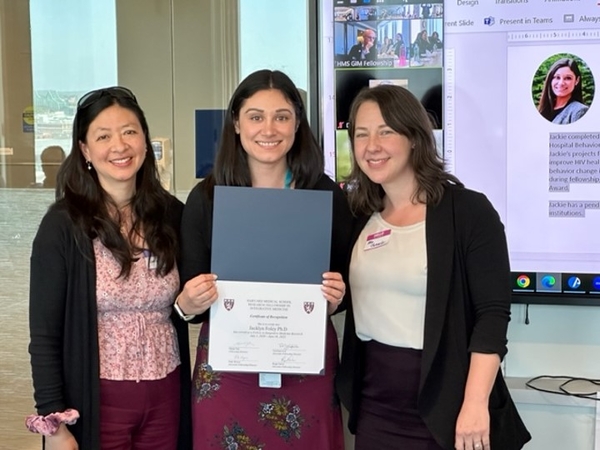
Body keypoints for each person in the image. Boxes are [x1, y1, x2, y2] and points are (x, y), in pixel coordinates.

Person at [336, 85, 531, 450]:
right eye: (361, 134)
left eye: (385, 132)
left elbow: (492, 315)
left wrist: (475, 404)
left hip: (448, 404)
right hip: (375, 404)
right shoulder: (360, 214)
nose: (371, 146)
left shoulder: (468, 212)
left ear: (414, 137)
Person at [177, 69, 353, 449]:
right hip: (229, 373)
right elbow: (188, 302)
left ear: (297, 124)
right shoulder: (207, 198)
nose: (268, 129)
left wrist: (337, 297)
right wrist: (188, 302)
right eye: (255, 116)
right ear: (236, 123)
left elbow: (345, 292)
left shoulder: (326, 196)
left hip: (304, 366)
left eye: (281, 117)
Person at [27, 86, 191, 450]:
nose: (119, 146)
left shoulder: (172, 215)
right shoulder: (62, 226)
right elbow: (45, 335)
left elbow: (193, 302)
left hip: (166, 393)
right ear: (85, 150)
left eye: (129, 132)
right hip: (97, 399)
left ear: (145, 141)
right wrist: (54, 422)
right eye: (103, 136)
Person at [537, 57, 589, 124]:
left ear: (577, 80)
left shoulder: (579, 111)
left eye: (568, 78)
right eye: (557, 77)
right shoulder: (543, 109)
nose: (561, 83)